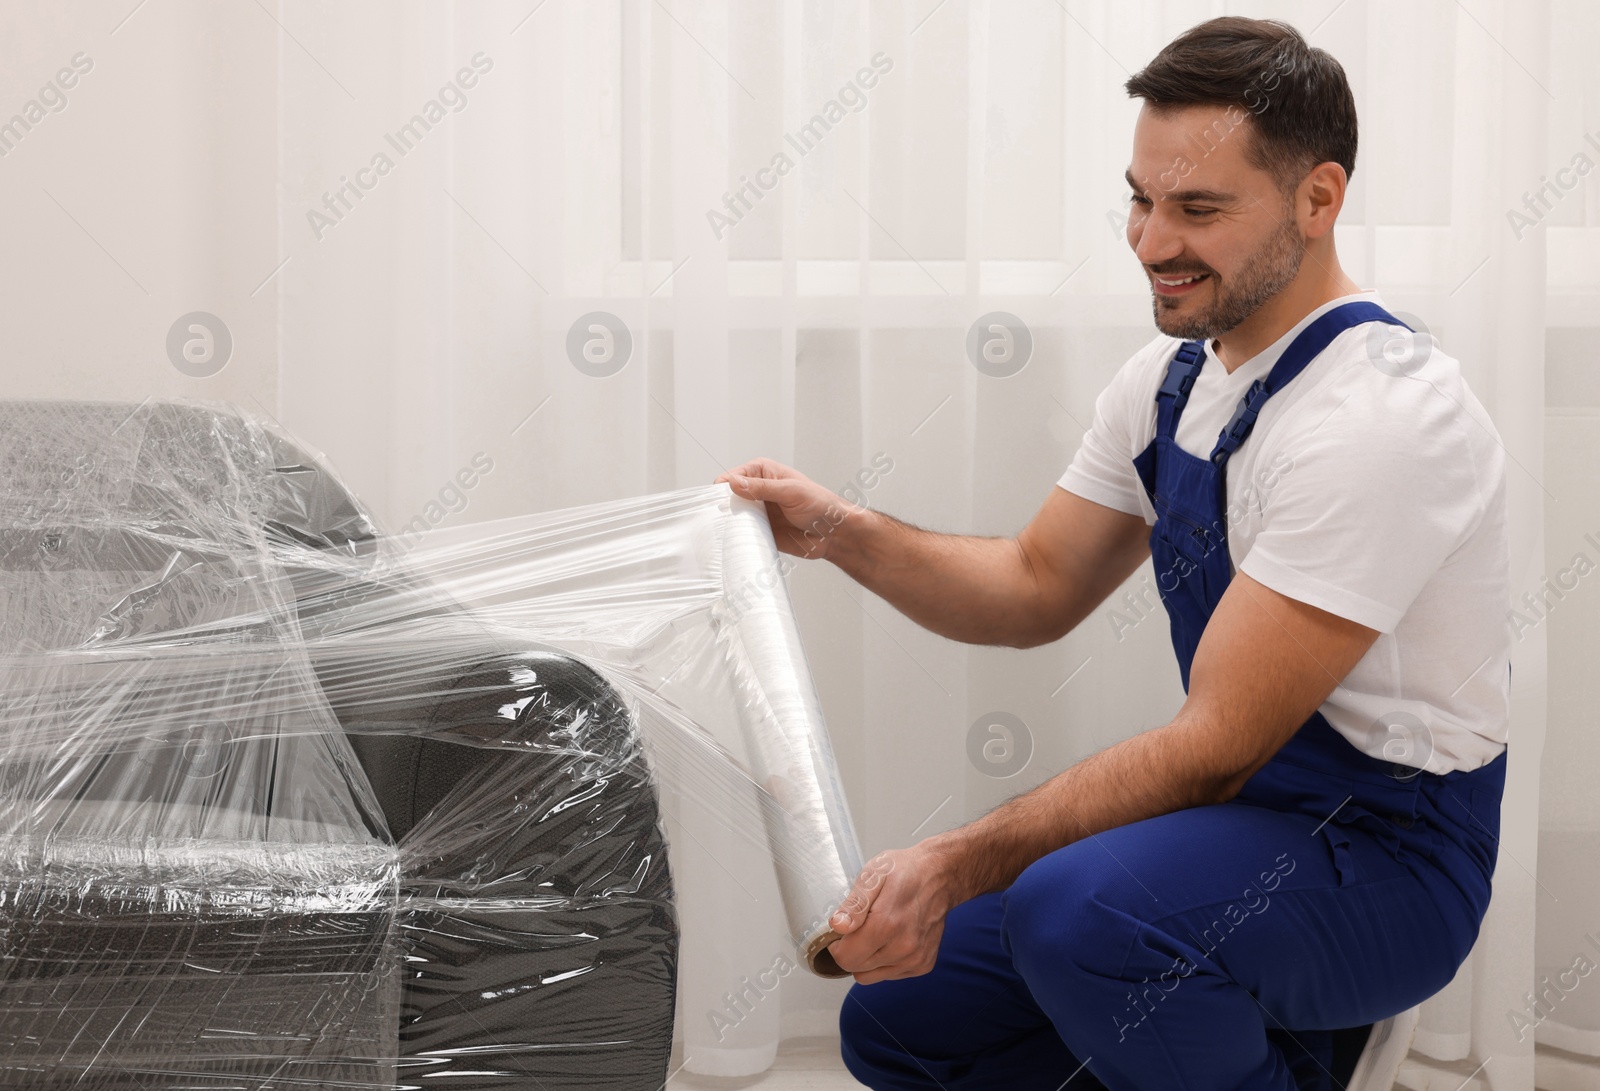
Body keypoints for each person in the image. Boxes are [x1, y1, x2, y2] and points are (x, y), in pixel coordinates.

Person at [715, 16, 1510, 1091]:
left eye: (1197, 208)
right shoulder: (1171, 381)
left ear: (1317, 199)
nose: (1148, 241)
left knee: (1082, 912)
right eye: (1140, 198)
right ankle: (1272, 1051)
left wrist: (947, 864)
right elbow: (1033, 586)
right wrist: (835, 531)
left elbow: (1213, 745)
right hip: (1244, 828)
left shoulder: (1379, 416)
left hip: (1387, 860)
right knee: (899, 1019)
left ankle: (1300, 1043)